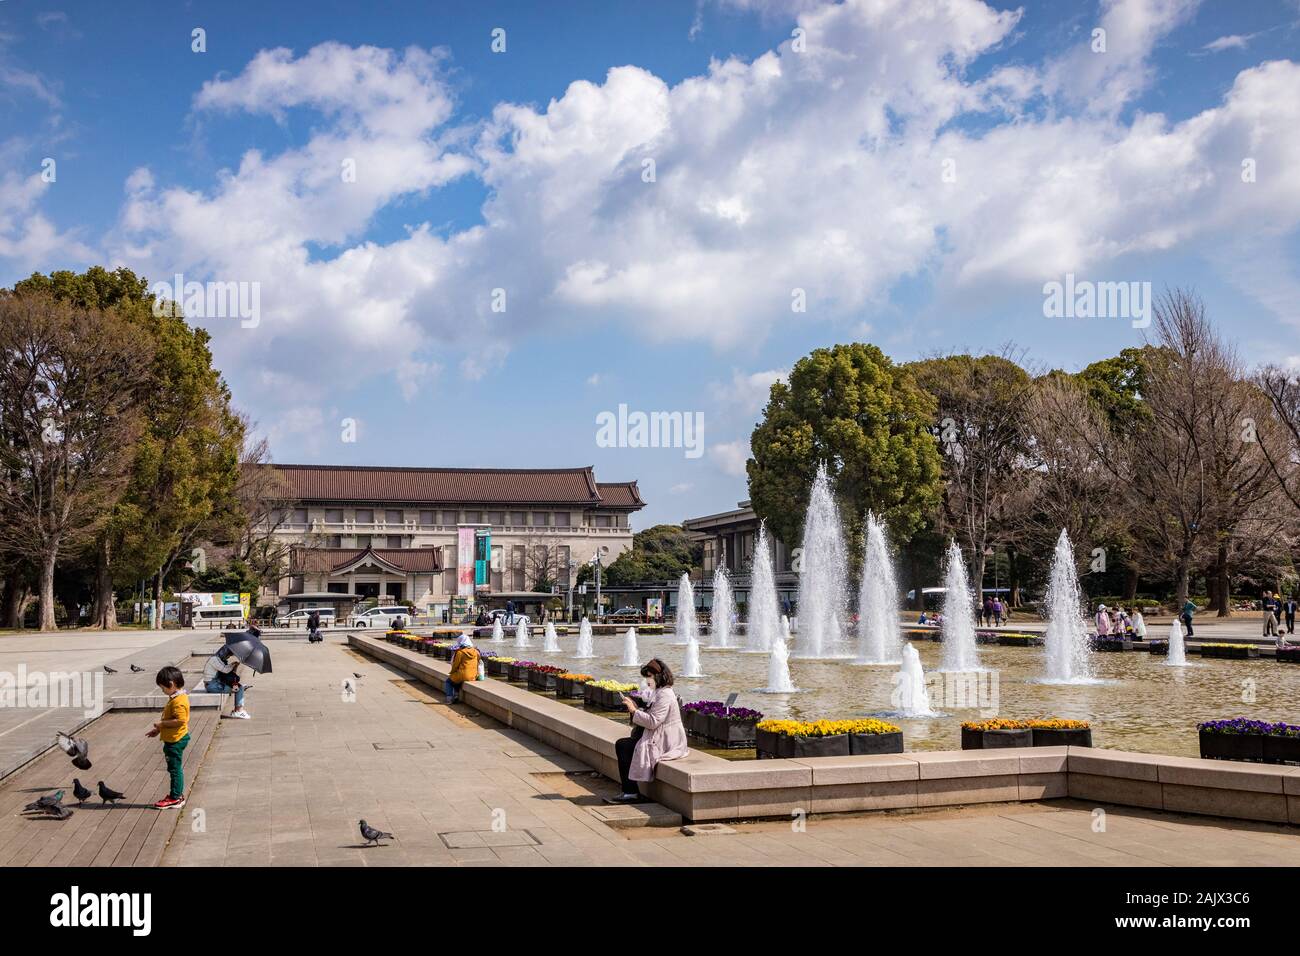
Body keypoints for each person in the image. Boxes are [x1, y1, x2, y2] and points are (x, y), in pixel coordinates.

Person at [611, 658, 688, 803]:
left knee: (623, 746)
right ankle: (629, 791)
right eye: (646, 676)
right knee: (626, 744)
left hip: (666, 741)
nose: (647, 680)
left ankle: (630, 792)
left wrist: (634, 710)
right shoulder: (659, 691)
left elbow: (653, 722)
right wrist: (636, 708)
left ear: (658, 676)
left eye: (649, 676)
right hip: (658, 735)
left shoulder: (665, 694)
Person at [147, 666, 190, 809]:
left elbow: (180, 720)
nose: (163, 691)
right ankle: (177, 795)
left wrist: (161, 723)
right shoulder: (178, 697)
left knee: (174, 769)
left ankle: (175, 797)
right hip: (176, 737)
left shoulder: (178, 701)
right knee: (175, 768)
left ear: (171, 684)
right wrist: (158, 730)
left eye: (163, 688)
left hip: (175, 741)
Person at [202, 645, 252, 719]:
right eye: (228, 655)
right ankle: (238, 711)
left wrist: (234, 666)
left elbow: (229, 673)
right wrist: (233, 664)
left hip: (214, 684)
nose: (228, 657)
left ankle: (238, 710)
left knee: (238, 687)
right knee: (239, 688)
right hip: (212, 685)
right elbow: (225, 670)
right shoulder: (214, 660)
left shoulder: (217, 659)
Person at [444, 634, 480, 704]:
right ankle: (456, 695)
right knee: (457, 679)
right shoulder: (476, 651)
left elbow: (455, 665)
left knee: (449, 681)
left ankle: (449, 699)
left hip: (463, 675)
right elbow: (478, 662)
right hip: (473, 675)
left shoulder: (460, 652)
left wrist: (452, 672)